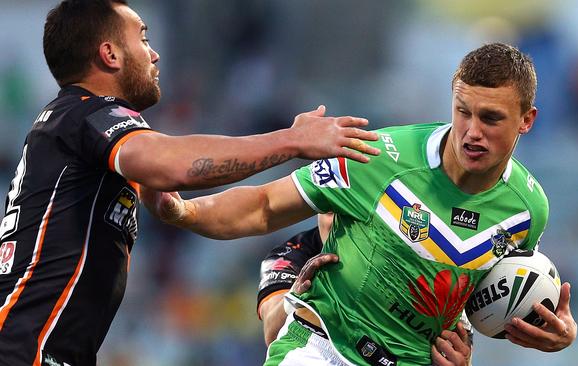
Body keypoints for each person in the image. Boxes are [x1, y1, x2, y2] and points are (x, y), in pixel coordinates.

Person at [146, 43, 578, 365]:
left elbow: (488, 297)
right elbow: (263, 206)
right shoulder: (377, 155)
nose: (471, 131)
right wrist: (185, 212)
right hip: (321, 349)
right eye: (463, 111)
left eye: (491, 118)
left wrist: (549, 332)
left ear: (527, 120)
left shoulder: (528, 210)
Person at [0, 1, 380, 365]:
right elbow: (174, 165)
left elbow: (183, 185)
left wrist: (181, 211)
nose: (155, 55)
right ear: (110, 55)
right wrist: (293, 140)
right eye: (143, 39)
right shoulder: (86, 114)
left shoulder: (72, 124)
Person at [257, 214, 473, 366]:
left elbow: (461, 346)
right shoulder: (294, 253)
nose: (340, 220)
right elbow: (271, 332)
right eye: (331, 210)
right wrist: (293, 296)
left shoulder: (417, 262)